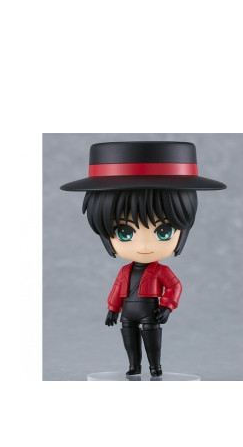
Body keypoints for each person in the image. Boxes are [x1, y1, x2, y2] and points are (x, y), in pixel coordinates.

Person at [61, 141, 226, 378]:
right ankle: (134, 365)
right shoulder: (125, 271)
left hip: (150, 310)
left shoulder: (161, 271)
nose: (144, 246)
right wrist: (112, 309)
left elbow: (175, 286)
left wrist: (167, 306)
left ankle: (155, 366)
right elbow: (117, 289)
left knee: (151, 338)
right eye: (125, 232)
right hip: (128, 311)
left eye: (163, 231)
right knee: (129, 337)